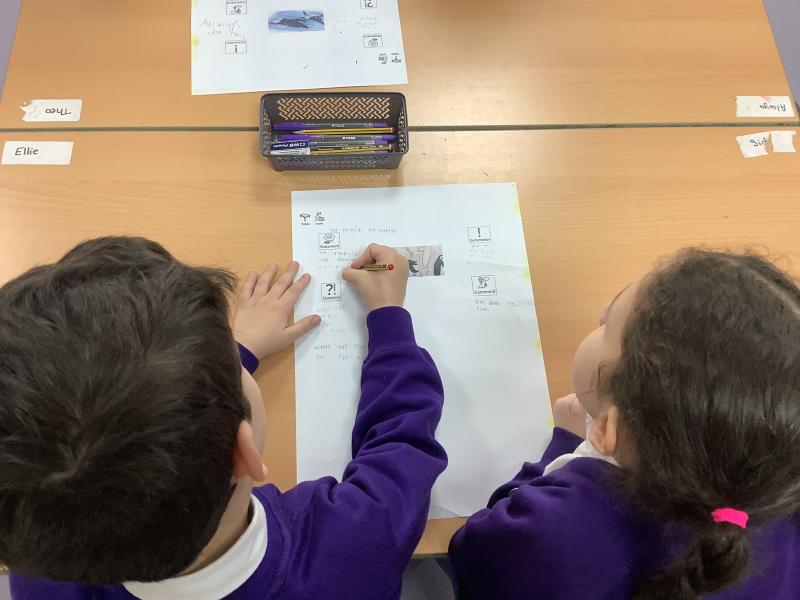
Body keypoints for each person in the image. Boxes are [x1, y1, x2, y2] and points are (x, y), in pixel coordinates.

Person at [0, 237, 447, 600]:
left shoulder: (38, 565)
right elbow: (403, 443)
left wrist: (231, 356)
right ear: (243, 453)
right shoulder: (356, 543)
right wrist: (389, 318)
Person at [450, 249, 800, 599]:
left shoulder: (547, 532)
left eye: (607, 327)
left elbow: (471, 552)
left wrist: (561, 448)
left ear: (608, 429)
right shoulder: (778, 505)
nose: (602, 312)